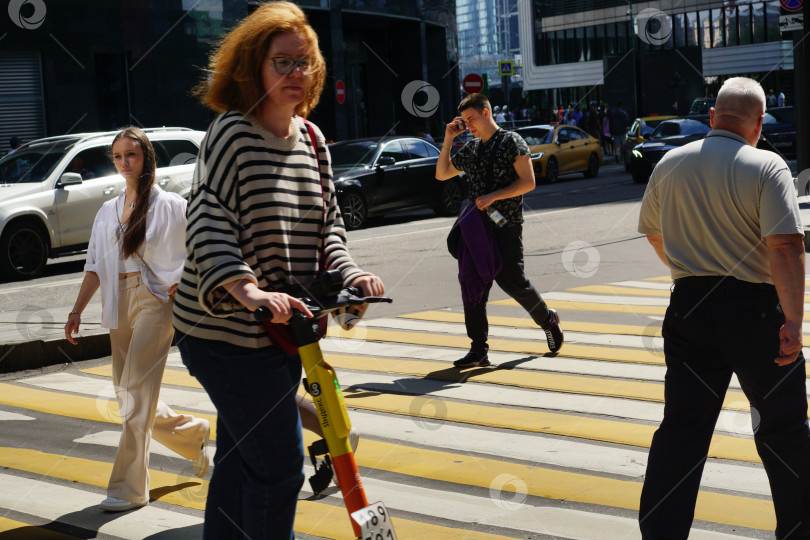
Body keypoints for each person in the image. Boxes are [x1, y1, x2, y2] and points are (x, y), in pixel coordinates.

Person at [172, 3, 384, 538]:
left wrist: (350, 277)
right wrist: (246, 288)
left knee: (243, 461)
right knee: (281, 465)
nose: (296, 73)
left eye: (305, 61)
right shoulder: (231, 135)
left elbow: (329, 230)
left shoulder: (313, 142)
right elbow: (207, 219)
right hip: (221, 335)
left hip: (280, 334)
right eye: (282, 62)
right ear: (252, 69)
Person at [637, 77, 810, 539]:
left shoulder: (669, 163)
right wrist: (793, 321)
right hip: (755, 313)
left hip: (690, 309)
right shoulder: (767, 165)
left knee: (682, 431)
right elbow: (786, 247)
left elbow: (653, 233)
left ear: (712, 117)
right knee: (784, 430)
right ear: (758, 124)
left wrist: (689, 274)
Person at [64, 127, 210, 513]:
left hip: (155, 302)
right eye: (117, 156)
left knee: (133, 396)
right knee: (128, 394)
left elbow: (197, 248)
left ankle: (129, 488)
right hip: (117, 302)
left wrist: (184, 283)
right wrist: (76, 310)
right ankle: (192, 434)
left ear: (146, 157)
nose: (124, 162)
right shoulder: (107, 211)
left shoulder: (171, 205)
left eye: (131, 154)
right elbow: (94, 266)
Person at [435, 92, 563, 368]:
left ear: (486, 113)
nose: (468, 125)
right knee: (473, 285)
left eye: (472, 119)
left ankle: (548, 320)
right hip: (477, 230)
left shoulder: (511, 141)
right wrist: (448, 139)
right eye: (464, 121)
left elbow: (528, 182)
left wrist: (494, 196)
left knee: (514, 283)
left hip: (506, 226)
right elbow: (442, 173)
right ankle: (478, 349)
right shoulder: (471, 149)